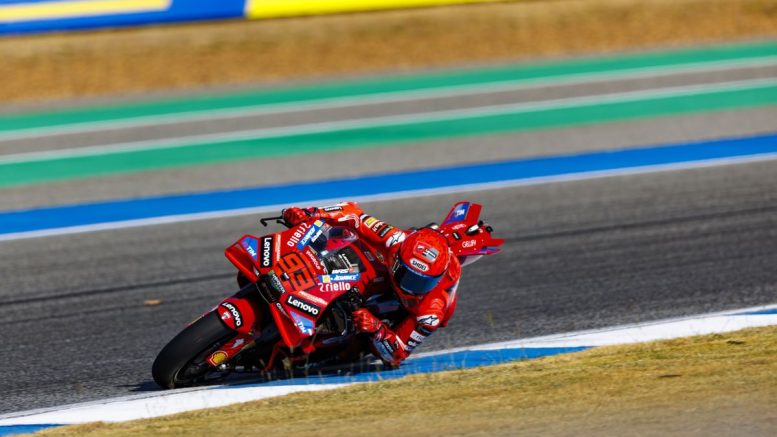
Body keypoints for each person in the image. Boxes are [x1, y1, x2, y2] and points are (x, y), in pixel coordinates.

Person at [282, 201, 461, 366]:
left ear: (437, 279)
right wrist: (310, 213)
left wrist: (377, 329)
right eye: (408, 276)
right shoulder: (395, 240)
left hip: (399, 314)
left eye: (422, 283)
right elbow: (352, 214)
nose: (411, 287)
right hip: (383, 272)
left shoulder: (431, 313)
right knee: (341, 236)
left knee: (359, 348)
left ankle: (307, 353)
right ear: (397, 260)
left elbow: (397, 356)